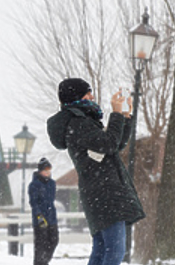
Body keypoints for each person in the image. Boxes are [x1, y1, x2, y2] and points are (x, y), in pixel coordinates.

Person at [47, 78, 145, 265]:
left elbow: (115, 145)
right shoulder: (78, 123)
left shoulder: (83, 122)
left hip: (100, 192)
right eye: (87, 92)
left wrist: (124, 116)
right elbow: (108, 144)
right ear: (76, 96)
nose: (92, 96)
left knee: (102, 250)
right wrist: (116, 114)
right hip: (105, 193)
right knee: (115, 251)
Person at [29, 157, 59, 265]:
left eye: (49, 170)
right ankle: (40, 262)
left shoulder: (52, 184)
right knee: (41, 245)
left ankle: (43, 262)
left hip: (52, 218)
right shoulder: (34, 185)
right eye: (45, 170)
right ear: (40, 171)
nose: (47, 173)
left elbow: (51, 201)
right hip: (40, 219)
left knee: (54, 240)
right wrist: (39, 216)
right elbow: (34, 202)